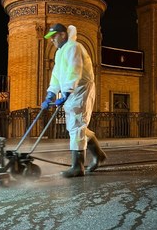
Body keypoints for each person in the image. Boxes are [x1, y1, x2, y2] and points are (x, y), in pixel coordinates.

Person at [41, 23, 107, 178]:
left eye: (54, 36)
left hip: (82, 89)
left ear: (63, 35)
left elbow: (74, 70)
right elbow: (57, 75)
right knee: (76, 126)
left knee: (76, 125)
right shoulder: (59, 53)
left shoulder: (73, 47)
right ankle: (99, 155)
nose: (52, 40)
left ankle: (77, 167)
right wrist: (50, 93)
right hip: (73, 90)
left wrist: (66, 92)